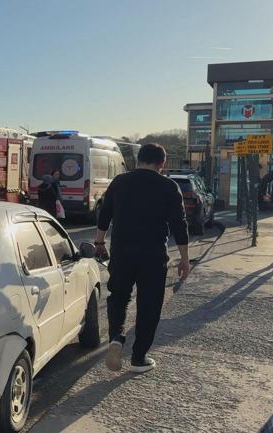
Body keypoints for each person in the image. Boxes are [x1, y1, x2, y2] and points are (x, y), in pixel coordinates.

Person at [95, 143, 189, 373]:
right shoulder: (168, 186)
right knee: (149, 305)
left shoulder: (119, 182)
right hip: (153, 256)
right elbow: (180, 224)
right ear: (162, 163)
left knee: (118, 297)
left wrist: (99, 242)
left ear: (138, 160)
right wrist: (184, 258)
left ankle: (116, 337)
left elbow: (105, 213)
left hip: (122, 252)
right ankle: (138, 358)